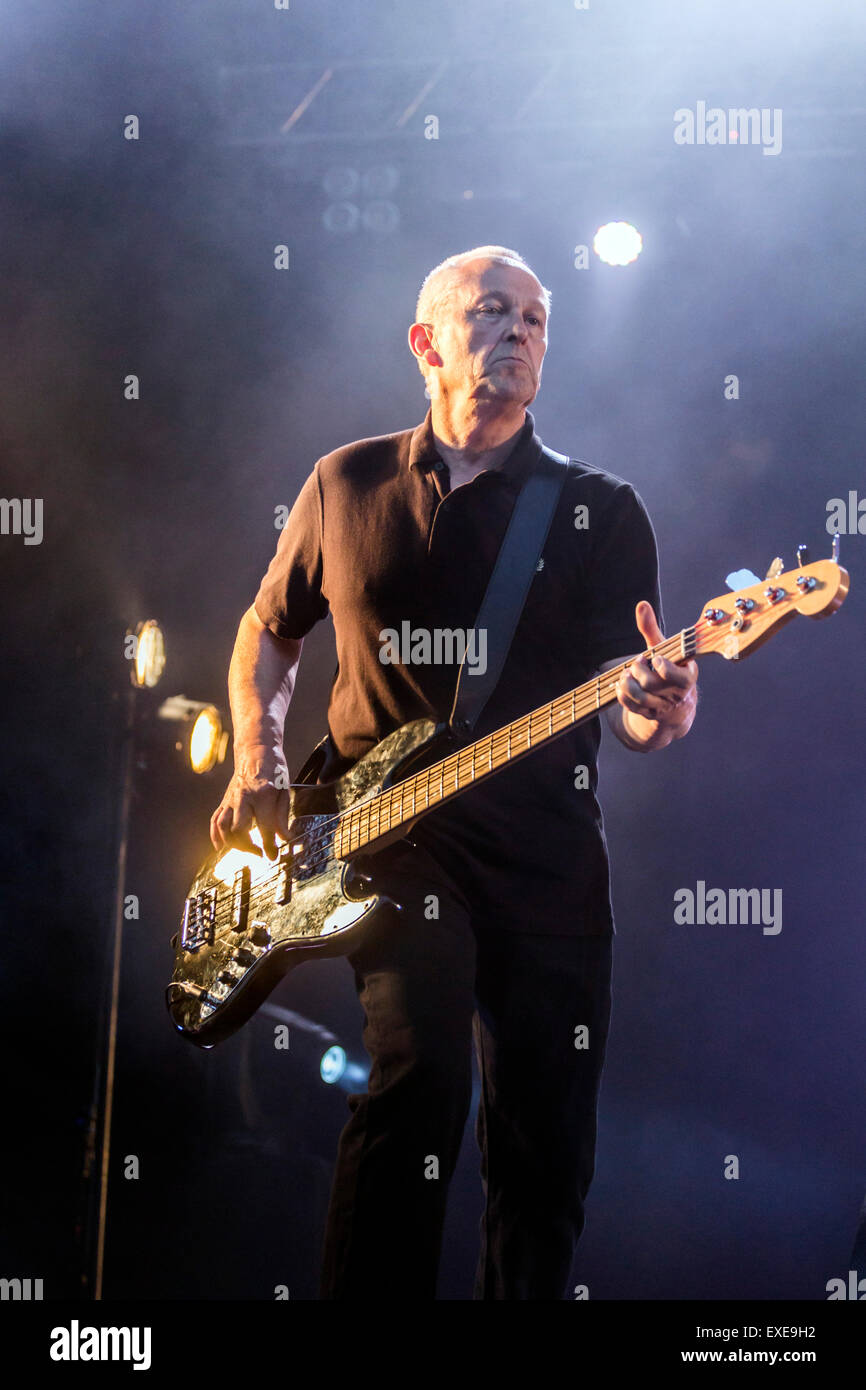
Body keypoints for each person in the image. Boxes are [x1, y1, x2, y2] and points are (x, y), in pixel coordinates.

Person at [210, 245, 698, 1300]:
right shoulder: (345, 483)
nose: (519, 330)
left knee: (546, 1150)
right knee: (417, 1077)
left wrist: (660, 707)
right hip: (389, 843)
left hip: (544, 861)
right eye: (492, 310)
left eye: (535, 317)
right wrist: (255, 752)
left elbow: (630, 703)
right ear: (427, 342)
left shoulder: (598, 510)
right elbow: (266, 632)